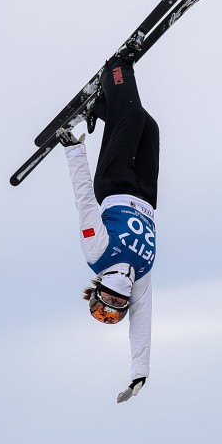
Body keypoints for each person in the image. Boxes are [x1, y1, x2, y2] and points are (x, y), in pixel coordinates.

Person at [57, 38, 158, 403]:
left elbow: (84, 201)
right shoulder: (141, 278)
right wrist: (139, 373)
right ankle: (103, 106)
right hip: (147, 196)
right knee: (149, 127)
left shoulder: (97, 252)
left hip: (113, 184)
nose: (110, 308)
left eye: (102, 307)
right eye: (113, 312)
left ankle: (117, 65)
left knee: (131, 117)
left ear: (98, 291)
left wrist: (73, 151)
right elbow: (142, 326)